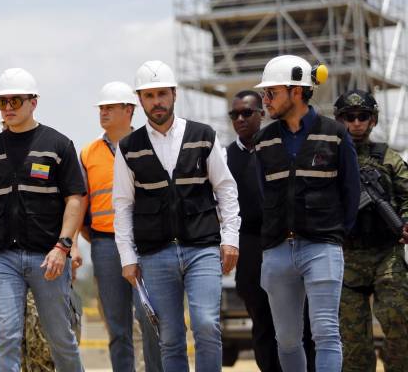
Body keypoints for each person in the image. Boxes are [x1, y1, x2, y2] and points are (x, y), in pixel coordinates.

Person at [114, 60, 240, 372]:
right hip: (155, 254)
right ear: (140, 100)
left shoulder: (203, 136)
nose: (156, 101)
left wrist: (230, 239)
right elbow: (123, 205)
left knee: (207, 324)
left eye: (162, 94)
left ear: (174, 94)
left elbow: (226, 189)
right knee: (169, 337)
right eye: (149, 95)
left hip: (202, 248)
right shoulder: (128, 147)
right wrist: (127, 257)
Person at [0, 67, 86, 372]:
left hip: (48, 258)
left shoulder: (58, 145)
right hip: (2, 259)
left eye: (15, 101)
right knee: (6, 336)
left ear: (33, 102)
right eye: (2, 102)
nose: (8, 107)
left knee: (60, 336)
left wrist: (63, 246)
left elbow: (75, 199)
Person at [252, 55, 359, 372]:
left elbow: (351, 192)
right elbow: (264, 193)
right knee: (286, 339)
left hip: (322, 248)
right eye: (265, 93)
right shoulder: (263, 142)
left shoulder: (335, 134)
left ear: (296, 91)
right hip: (277, 251)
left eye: (272, 93)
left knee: (326, 334)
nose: (265, 100)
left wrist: (334, 236)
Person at [226, 90, 315, 372]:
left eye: (247, 112)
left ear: (261, 114)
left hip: (287, 242)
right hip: (250, 247)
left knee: (302, 321)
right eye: (235, 114)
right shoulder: (225, 156)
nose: (240, 119)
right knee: (262, 321)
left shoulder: (280, 146)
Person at [80, 81, 162, 372]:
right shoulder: (88, 153)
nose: (103, 112)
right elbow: (81, 204)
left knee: (149, 316)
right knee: (116, 325)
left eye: (110, 107)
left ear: (129, 110)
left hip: (145, 242)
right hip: (104, 245)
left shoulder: (150, 144)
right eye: (101, 108)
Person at [333, 89, 408, 372]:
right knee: (352, 340)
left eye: (362, 116)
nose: (356, 123)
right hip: (346, 257)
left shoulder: (388, 158)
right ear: (339, 120)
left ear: (373, 120)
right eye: (349, 117)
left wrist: (405, 220)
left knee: (399, 320)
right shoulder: (329, 158)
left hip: (386, 254)